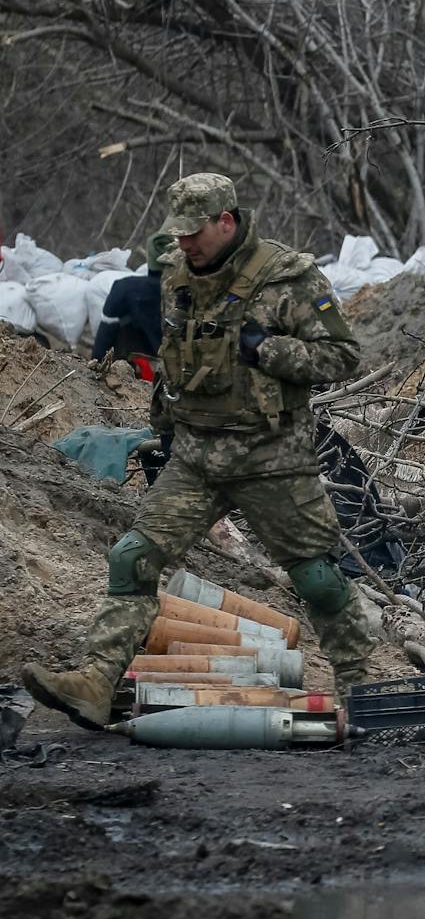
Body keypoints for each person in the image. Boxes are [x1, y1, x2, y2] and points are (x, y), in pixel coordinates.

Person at [23, 173, 374, 729]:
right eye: (177, 233)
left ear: (226, 222)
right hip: (196, 457)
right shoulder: (179, 278)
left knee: (317, 578)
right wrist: (162, 426)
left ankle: (360, 692)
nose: (183, 244)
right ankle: (94, 681)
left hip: (271, 457)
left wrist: (273, 352)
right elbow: (176, 358)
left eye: (194, 232)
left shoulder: (290, 276)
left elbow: (345, 355)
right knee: (131, 558)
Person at [91, 232, 171, 365]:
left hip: (134, 374)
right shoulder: (191, 291)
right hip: (178, 375)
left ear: (149, 258)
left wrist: (95, 365)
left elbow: (104, 337)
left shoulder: (124, 288)